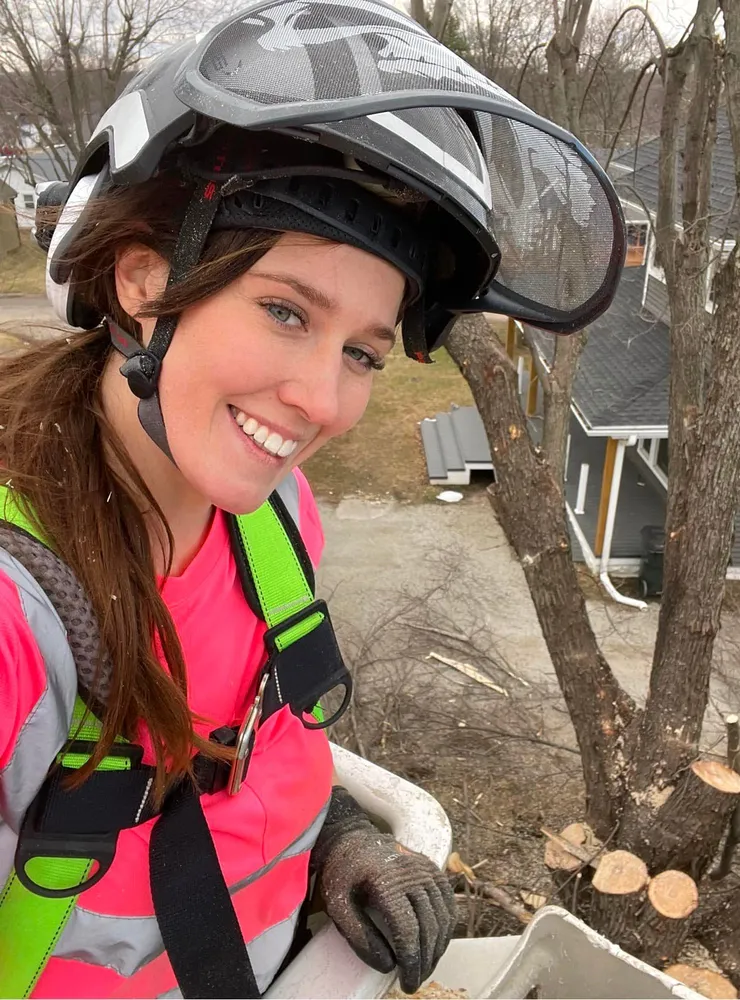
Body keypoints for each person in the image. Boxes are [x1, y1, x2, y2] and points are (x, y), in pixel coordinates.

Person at [0, 2, 625, 997]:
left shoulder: (268, 520)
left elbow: (242, 739)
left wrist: (331, 838)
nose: (322, 401)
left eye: (362, 352)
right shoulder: (17, 618)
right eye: (285, 310)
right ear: (142, 280)